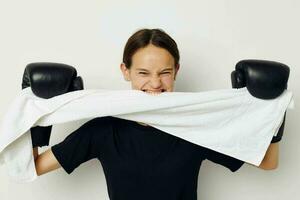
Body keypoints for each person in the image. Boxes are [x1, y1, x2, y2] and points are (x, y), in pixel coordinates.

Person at [32, 28, 279, 200]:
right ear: (125, 71)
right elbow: (33, 167)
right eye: (143, 73)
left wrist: (269, 109)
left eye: (164, 72)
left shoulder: (196, 127)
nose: (155, 83)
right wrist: (37, 113)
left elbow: (268, 162)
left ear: (176, 71)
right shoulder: (104, 130)